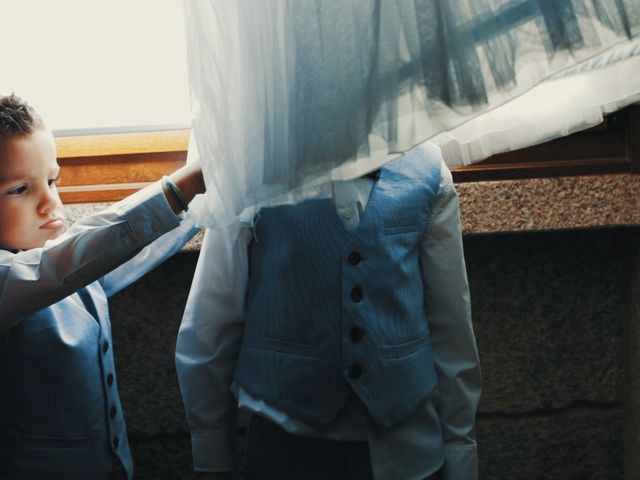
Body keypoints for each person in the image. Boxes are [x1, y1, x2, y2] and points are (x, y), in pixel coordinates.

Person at [176, 141, 481, 480]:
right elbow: (211, 321)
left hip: (411, 451)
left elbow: (451, 325)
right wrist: (213, 457)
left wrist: (460, 452)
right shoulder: (250, 169)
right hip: (286, 448)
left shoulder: (428, 168)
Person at [0, 94, 205, 480]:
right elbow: (61, 265)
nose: (50, 204)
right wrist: (181, 186)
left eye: (51, 181)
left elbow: (127, 251)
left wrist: (199, 201)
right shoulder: (16, 278)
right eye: (18, 190)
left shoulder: (67, 265)